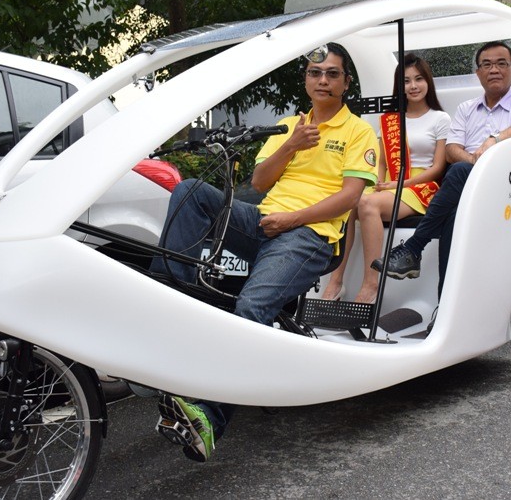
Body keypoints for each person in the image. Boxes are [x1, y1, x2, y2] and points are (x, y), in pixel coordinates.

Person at [151, 43, 379, 463]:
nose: (323, 80)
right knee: (189, 192)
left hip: (309, 235)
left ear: (346, 82)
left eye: (332, 74)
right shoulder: (288, 125)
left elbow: (350, 199)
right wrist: (290, 146)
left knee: (251, 306)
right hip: (263, 222)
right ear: (306, 80)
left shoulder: (359, 132)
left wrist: (292, 220)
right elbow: (258, 182)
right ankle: (170, 295)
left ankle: (210, 418)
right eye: (315, 73)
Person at [377, 41, 511, 291]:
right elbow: (451, 149)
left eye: (502, 63)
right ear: (478, 73)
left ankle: (413, 248)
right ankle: (443, 308)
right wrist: (474, 162)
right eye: (486, 65)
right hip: (468, 188)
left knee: (457, 172)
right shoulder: (467, 109)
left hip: (509, 188)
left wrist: (495, 140)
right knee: (452, 217)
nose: (494, 70)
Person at [321, 54, 450, 303]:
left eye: (419, 79)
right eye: (406, 81)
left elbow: (438, 168)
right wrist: (376, 185)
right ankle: (335, 282)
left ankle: (370, 285)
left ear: (428, 82)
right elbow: (380, 162)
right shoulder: (390, 120)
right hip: (389, 184)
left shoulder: (439, 118)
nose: (413, 86)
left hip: (421, 187)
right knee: (348, 201)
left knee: (367, 204)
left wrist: (398, 185)